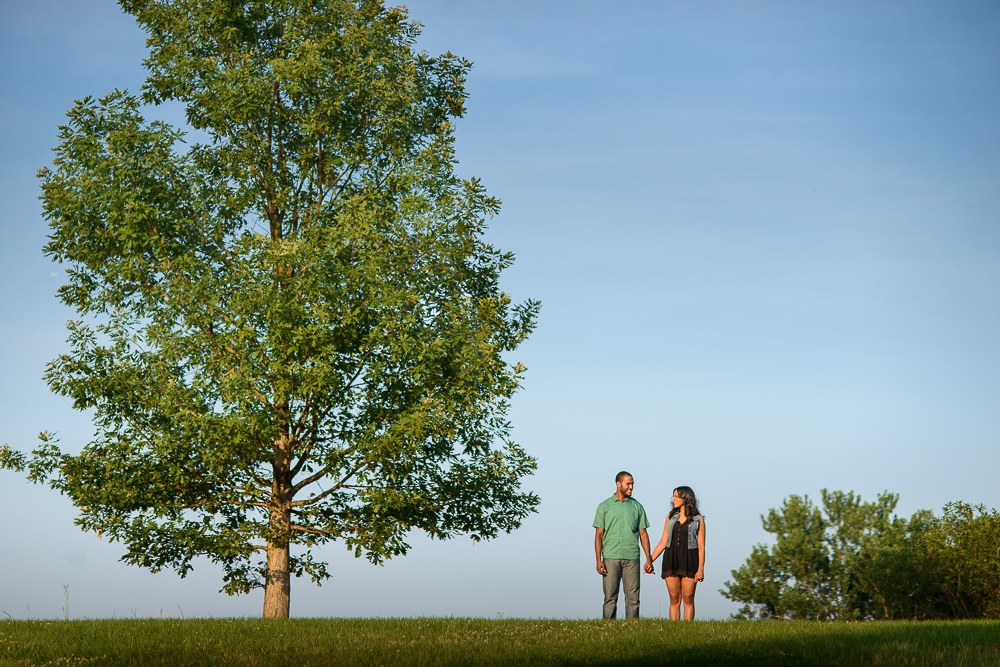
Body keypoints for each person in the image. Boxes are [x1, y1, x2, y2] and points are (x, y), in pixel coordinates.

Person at [593, 471, 655, 619]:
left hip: (632, 557)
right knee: (610, 598)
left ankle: (632, 630)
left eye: (632, 484)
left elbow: (643, 535)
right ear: (618, 484)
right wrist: (598, 560)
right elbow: (598, 535)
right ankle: (608, 629)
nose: (631, 487)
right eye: (628, 484)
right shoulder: (604, 507)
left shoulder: (637, 507)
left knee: (633, 599)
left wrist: (649, 559)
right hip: (610, 558)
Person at [650, 486, 706, 620]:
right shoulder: (670, 518)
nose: (673, 499)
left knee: (688, 599)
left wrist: (701, 569)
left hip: (690, 560)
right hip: (671, 559)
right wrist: (649, 560)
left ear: (686, 498)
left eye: (677, 496)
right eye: (673, 496)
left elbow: (701, 546)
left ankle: (687, 630)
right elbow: (663, 542)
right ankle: (674, 630)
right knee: (674, 599)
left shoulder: (698, 519)